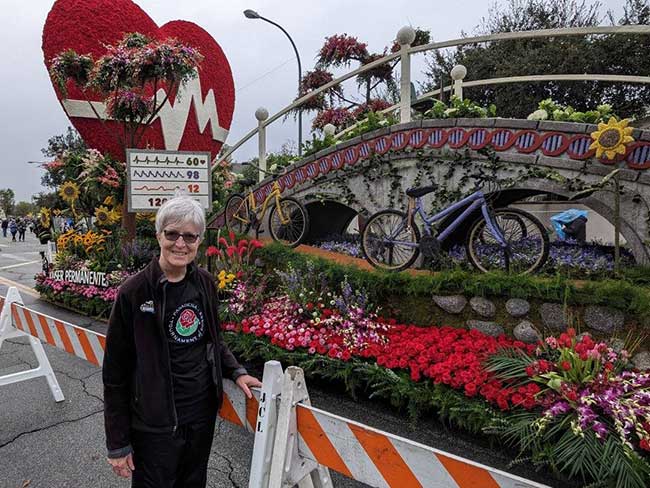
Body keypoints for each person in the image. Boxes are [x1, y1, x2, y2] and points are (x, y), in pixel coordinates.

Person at [102, 195, 261, 488]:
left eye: (189, 236)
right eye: (172, 234)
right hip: (153, 421)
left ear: (198, 241)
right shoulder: (133, 293)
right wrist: (117, 442)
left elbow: (213, 339)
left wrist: (236, 371)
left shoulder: (204, 283)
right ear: (159, 235)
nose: (180, 244)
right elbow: (115, 374)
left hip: (200, 415)